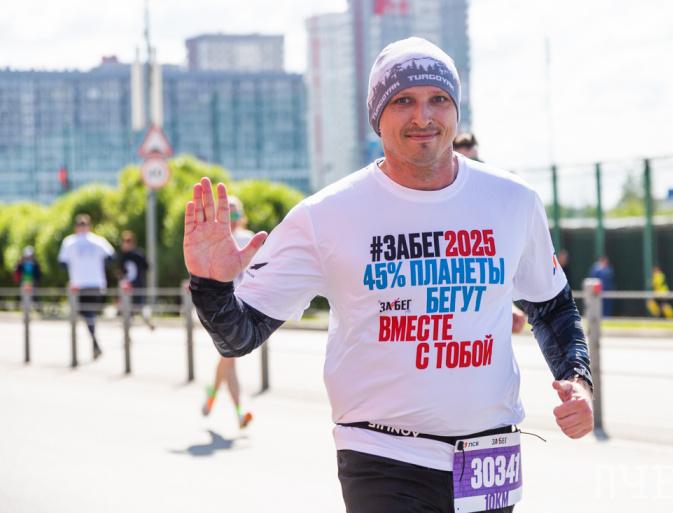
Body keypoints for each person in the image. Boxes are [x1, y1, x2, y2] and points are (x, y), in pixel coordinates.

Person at [184, 37, 592, 513]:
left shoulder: (513, 200)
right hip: (383, 453)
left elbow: (552, 307)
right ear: (377, 116)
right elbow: (238, 336)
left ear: (456, 110)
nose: (423, 116)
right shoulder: (326, 215)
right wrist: (211, 285)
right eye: (403, 101)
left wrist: (577, 380)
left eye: (438, 99)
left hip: (490, 455)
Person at [453, 132, 527, 334]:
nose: (470, 170)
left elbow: (489, 268)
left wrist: (508, 307)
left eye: (475, 163)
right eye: (462, 163)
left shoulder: (490, 201)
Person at [200, 196, 254, 429]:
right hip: (220, 307)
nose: (231, 219)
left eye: (235, 214)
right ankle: (239, 412)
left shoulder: (248, 238)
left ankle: (212, 395)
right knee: (229, 356)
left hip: (245, 305)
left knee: (228, 358)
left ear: (241, 216)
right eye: (227, 213)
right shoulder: (214, 238)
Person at [58, 214, 115, 359]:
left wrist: (76, 266)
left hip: (79, 284)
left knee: (86, 314)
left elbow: (62, 263)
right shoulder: (98, 241)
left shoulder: (70, 242)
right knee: (90, 314)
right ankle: (94, 343)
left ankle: (95, 343)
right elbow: (111, 257)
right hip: (97, 283)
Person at [118, 230, 155, 330]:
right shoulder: (123, 256)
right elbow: (120, 271)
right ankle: (127, 329)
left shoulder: (138, 254)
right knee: (127, 307)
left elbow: (147, 267)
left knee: (141, 306)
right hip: (128, 286)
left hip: (139, 285)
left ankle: (147, 322)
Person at [14, 246, 42, 310]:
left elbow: (38, 274)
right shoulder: (21, 263)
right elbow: (17, 271)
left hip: (32, 283)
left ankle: (36, 309)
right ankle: (24, 310)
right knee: (24, 297)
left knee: (33, 297)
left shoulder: (35, 264)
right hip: (24, 282)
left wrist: (36, 281)